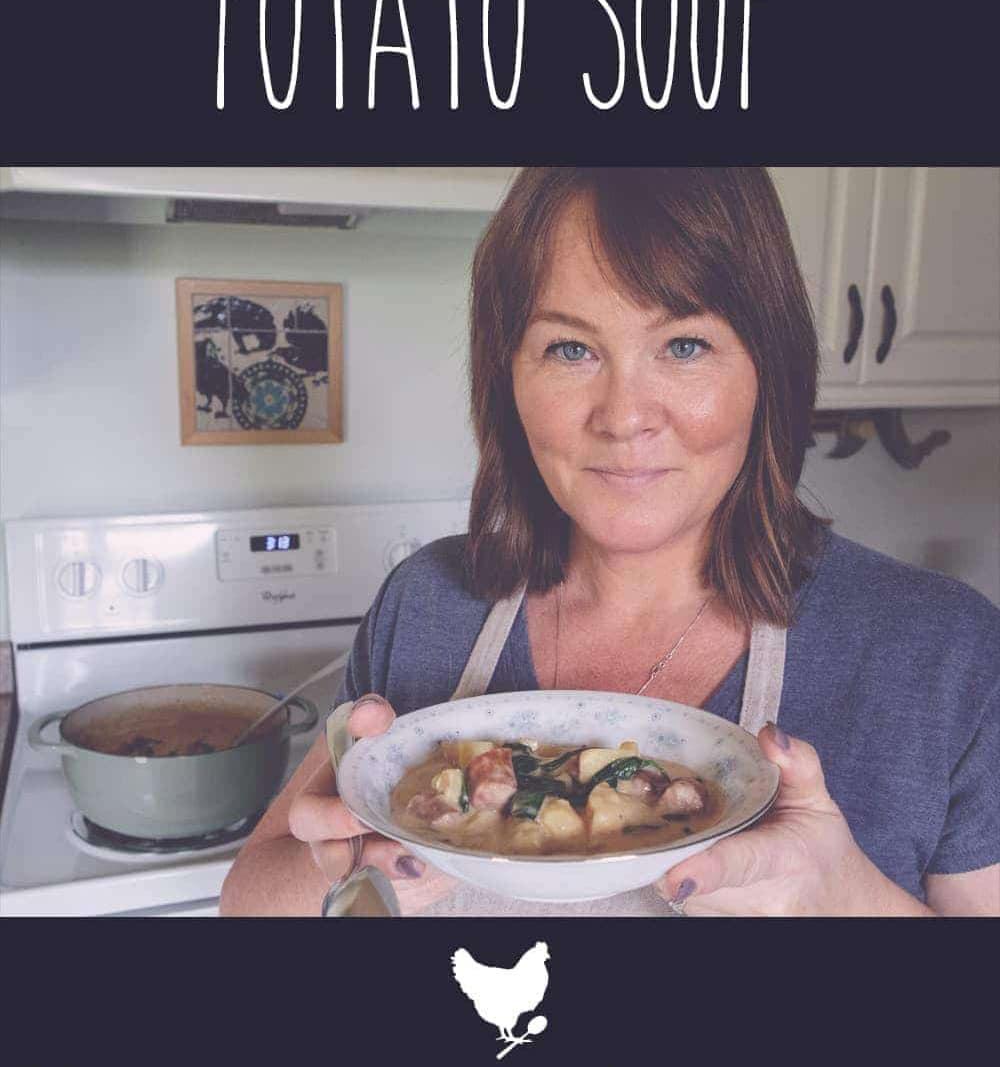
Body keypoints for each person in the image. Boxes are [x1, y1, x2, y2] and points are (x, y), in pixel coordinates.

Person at [220, 167, 1000, 917]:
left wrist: (846, 904)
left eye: (684, 345)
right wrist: (348, 878)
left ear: (770, 366)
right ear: (508, 379)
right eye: (571, 349)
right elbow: (249, 902)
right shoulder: (424, 605)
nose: (625, 415)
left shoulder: (943, 658)